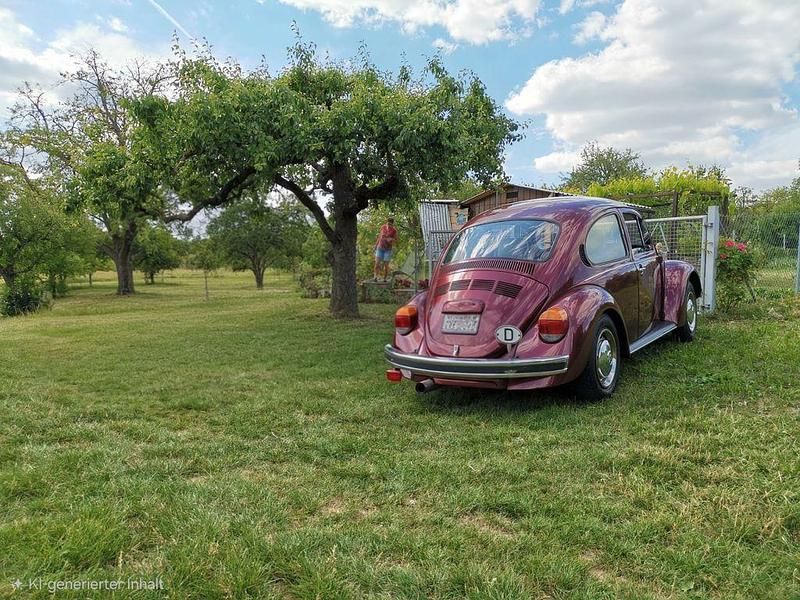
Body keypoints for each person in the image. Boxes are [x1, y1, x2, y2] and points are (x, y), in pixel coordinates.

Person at [373, 217, 397, 281]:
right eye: (388, 224)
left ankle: (385, 278)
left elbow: (396, 239)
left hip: (388, 249)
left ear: (392, 224)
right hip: (380, 247)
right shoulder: (383, 227)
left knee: (386, 265)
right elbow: (379, 236)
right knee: (377, 263)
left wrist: (391, 239)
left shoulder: (394, 230)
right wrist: (375, 246)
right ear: (386, 222)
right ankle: (375, 276)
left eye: (390, 224)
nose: (389, 225)